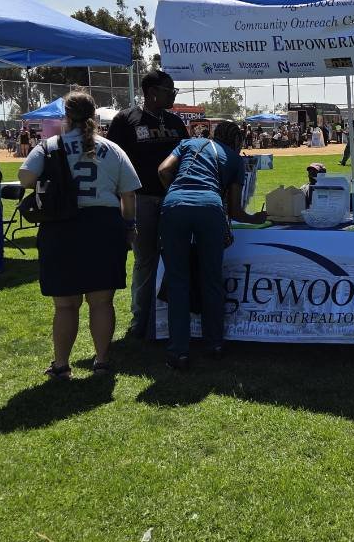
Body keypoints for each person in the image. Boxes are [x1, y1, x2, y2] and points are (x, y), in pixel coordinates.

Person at [18, 91, 140, 379]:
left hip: (61, 228)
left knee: (65, 305)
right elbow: (129, 196)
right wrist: (129, 226)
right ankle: (101, 361)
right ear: (94, 117)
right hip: (104, 227)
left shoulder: (49, 146)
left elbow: (25, 179)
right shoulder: (112, 149)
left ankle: (61, 365)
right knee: (101, 302)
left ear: (66, 118)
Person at [157, 121, 266, 370]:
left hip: (174, 206)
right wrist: (256, 218)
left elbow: (163, 170)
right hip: (210, 208)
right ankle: (215, 343)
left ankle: (179, 351)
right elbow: (236, 211)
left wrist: (177, 194)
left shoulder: (188, 143)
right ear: (237, 141)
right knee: (212, 278)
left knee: (178, 281)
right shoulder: (235, 160)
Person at [105, 70, 188, 340]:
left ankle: (173, 319)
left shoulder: (176, 122)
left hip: (174, 199)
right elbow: (113, 161)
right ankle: (141, 320)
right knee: (145, 260)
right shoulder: (125, 120)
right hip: (140, 200)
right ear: (152, 92)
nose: (173, 94)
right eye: (169, 89)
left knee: (177, 257)